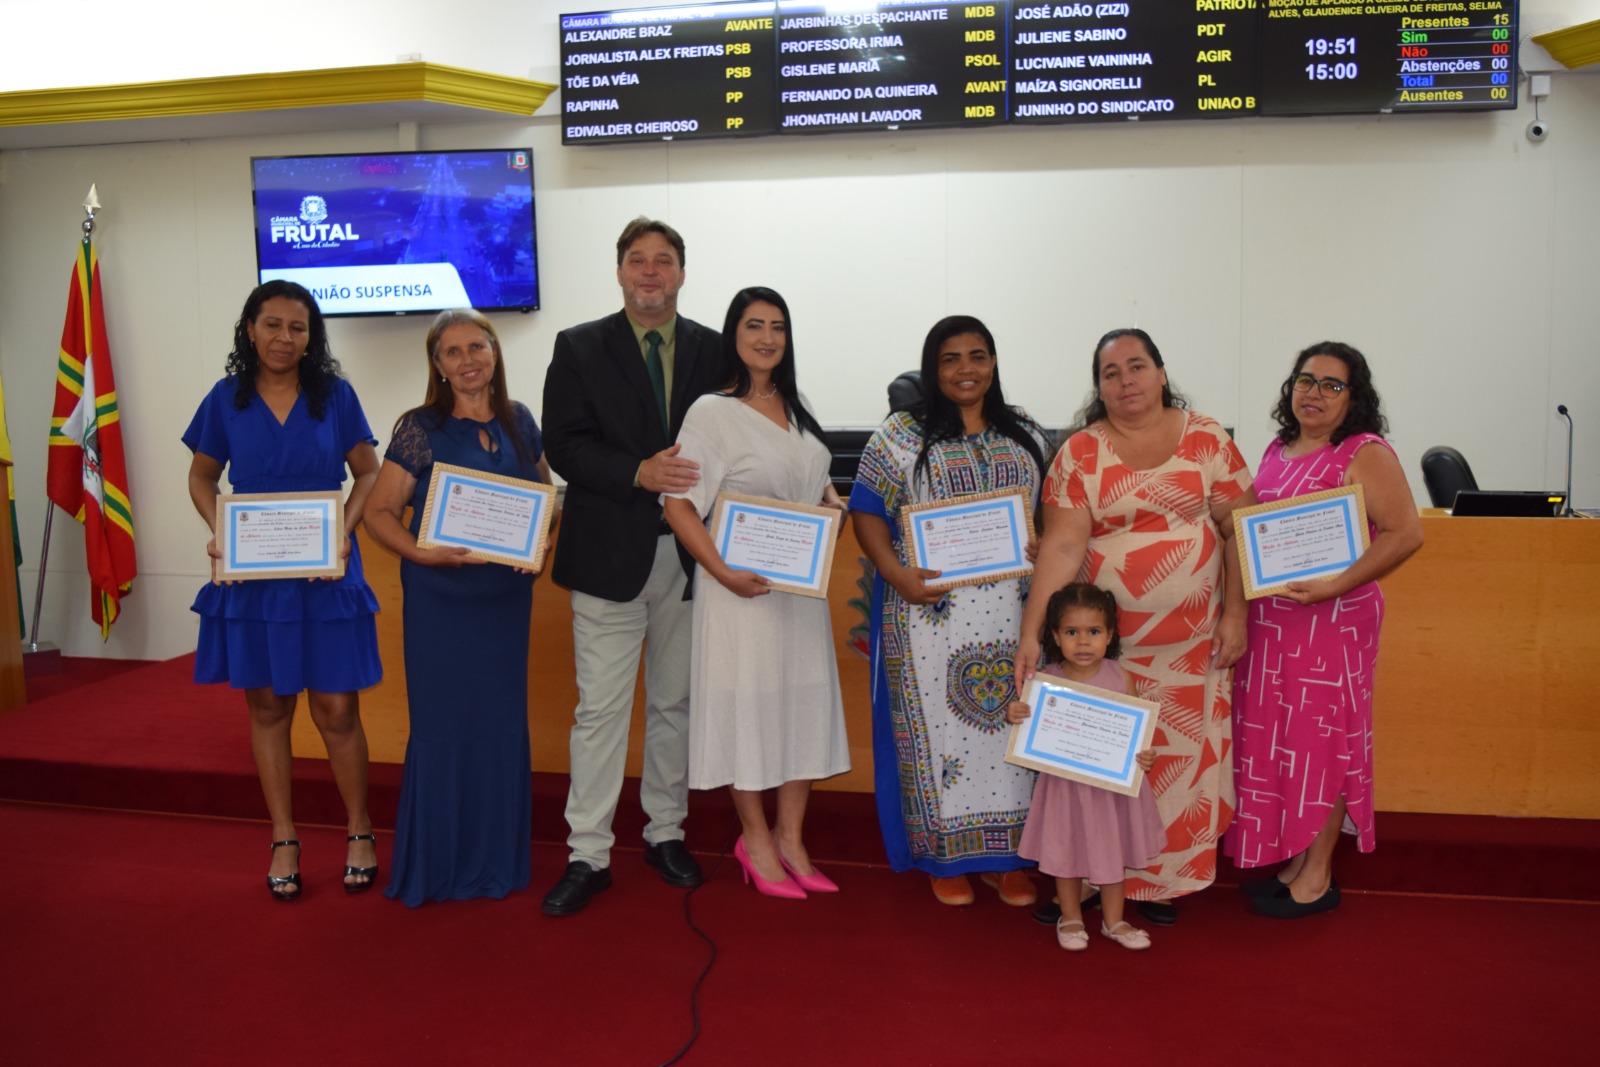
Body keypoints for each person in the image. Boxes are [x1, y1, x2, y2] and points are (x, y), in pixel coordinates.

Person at [1021, 328, 1253, 926]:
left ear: (1161, 372)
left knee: (1177, 760)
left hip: (1193, 648)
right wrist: (1031, 636)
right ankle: (1095, 883)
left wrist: (1235, 613)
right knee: (1095, 770)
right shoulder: (1079, 453)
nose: (1126, 381)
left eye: (1137, 366)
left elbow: (1240, 532)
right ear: (1098, 387)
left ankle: (1164, 882)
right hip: (1098, 657)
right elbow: (1061, 550)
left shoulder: (1208, 442)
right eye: (1111, 372)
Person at [538, 217, 721, 915]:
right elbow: (564, 445)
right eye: (638, 260)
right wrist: (637, 471)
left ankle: (665, 832)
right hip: (606, 555)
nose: (651, 272)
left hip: (690, 558)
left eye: (664, 261)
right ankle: (588, 851)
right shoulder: (579, 347)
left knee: (674, 704)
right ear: (619, 271)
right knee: (601, 711)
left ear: (681, 272)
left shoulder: (713, 348)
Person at [183, 280, 382, 901]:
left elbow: (368, 470)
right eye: (272, 325)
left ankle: (359, 829)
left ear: (311, 337)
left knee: (338, 710)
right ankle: (284, 837)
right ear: (250, 329)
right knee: (268, 708)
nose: (284, 338)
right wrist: (221, 532)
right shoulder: (224, 400)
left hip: (326, 574)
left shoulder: (336, 396)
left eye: (298, 328)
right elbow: (201, 475)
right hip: (257, 577)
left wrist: (346, 535)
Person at [850, 315, 1050, 908]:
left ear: (993, 364)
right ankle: (942, 857)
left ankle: (1010, 858)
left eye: (978, 356)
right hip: (925, 617)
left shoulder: (1028, 436)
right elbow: (865, 511)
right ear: (933, 368)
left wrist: (1041, 542)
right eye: (951, 359)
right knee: (938, 736)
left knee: (1009, 728)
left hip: (1013, 614)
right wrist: (894, 573)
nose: (966, 369)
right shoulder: (899, 436)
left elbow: (1054, 515)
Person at [661, 287, 850, 899]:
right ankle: (755, 840)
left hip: (798, 590)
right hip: (739, 592)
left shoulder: (795, 409)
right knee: (749, 708)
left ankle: (792, 839)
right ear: (732, 335)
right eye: (753, 325)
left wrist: (830, 505)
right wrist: (720, 571)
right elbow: (679, 504)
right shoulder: (711, 412)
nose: (767, 337)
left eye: (777, 327)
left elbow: (809, 486)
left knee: (802, 707)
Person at [1225, 341, 1423, 918]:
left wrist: (1336, 584)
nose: (1313, 393)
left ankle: (1317, 872)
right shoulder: (1276, 450)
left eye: (1331, 385)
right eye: (1304, 380)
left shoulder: (1363, 451)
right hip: (1274, 624)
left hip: (1334, 624)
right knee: (1282, 741)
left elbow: (1405, 532)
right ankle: (1293, 855)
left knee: (1324, 743)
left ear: (1354, 397)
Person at [364, 309, 552, 907]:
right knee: (445, 729)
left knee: (497, 729)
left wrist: (543, 541)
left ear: (495, 353)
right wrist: (423, 555)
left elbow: (547, 496)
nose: (468, 359)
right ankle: (440, 866)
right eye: (452, 352)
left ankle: (494, 859)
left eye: (478, 346)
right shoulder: (419, 427)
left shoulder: (521, 419)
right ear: (438, 367)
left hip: (503, 604)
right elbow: (376, 513)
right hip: (442, 604)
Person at [1010, 583, 1163, 951]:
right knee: (1066, 850)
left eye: (1093, 632)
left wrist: (1146, 755)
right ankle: (1072, 916)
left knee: (1113, 850)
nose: (1083, 642)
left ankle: (1115, 920)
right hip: (1065, 788)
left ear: (1109, 636)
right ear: (1055, 636)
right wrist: (1015, 712)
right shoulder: (1045, 681)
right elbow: (1027, 723)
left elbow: (1138, 731)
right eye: (1072, 632)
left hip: (1112, 790)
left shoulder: (1120, 677)